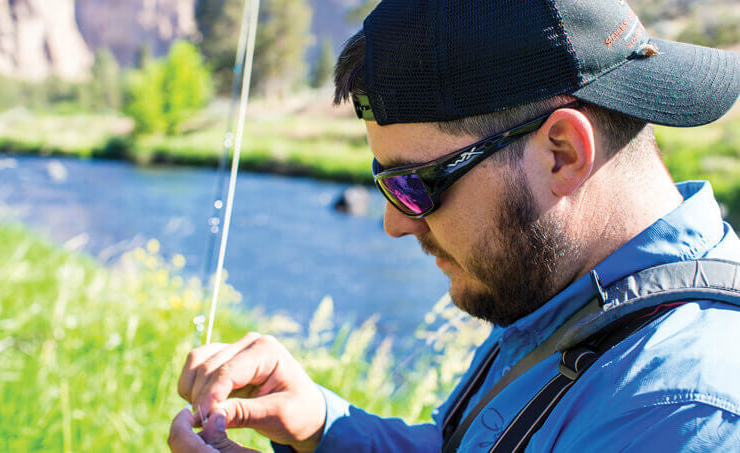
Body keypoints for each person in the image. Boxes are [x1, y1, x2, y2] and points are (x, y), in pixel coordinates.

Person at [169, 0, 740, 451]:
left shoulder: (683, 414)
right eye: (384, 180)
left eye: (417, 182)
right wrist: (322, 426)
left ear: (562, 153)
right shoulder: (557, 287)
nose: (394, 223)